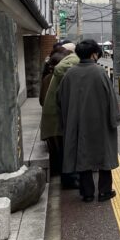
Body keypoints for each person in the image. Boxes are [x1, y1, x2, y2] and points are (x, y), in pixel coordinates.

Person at [58, 39, 120, 203]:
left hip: (77, 123)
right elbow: (111, 98)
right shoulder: (99, 72)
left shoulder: (70, 74)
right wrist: (115, 118)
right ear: (94, 54)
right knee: (104, 156)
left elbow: (61, 99)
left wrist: (67, 120)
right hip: (100, 122)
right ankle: (104, 191)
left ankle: (86, 193)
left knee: (82, 155)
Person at [40, 43, 79, 189]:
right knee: (66, 150)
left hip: (54, 117)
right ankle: (69, 179)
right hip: (59, 118)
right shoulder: (66, 70)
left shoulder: (55, 73)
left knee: (64, 151)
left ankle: (68, 178)